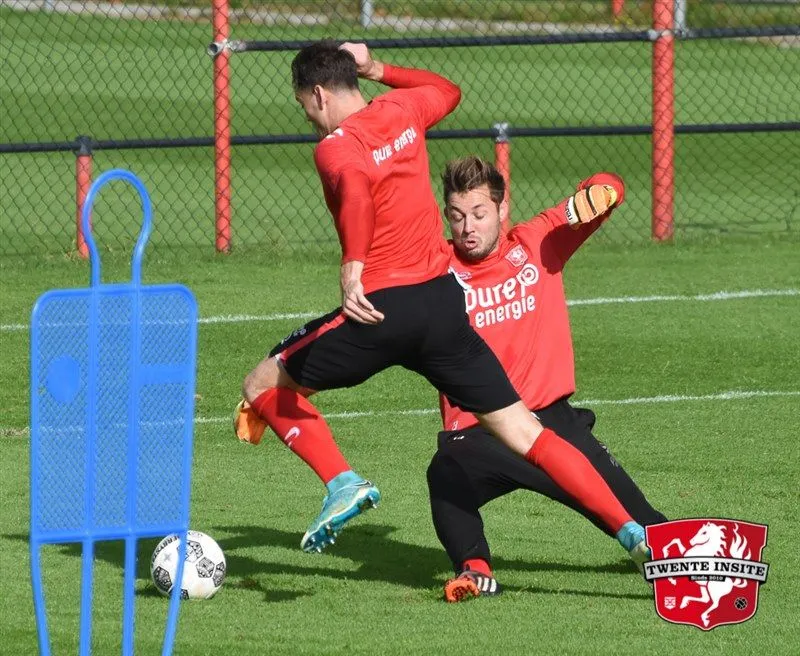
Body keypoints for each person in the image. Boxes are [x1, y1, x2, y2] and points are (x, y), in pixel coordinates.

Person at [233, 41, 650, 563]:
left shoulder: (335, 146)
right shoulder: (401, 109)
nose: (308, 116)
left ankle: (342, 481)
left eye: (303, 104)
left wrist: (352, 266)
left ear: (317, 94)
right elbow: (447, 91)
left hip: (382, 311)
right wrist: (377, 67)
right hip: (442, 304)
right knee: (525, 430)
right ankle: (631, 532)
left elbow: (358, 194)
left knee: (262, 382)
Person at [426, 156, 666, 602]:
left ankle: (686, 556)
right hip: (483, 432)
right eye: (457, 217)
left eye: (479, 214)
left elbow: (608, 182)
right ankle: (474, 569)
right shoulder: (434, 269)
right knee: (445, 473)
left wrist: (601, 192)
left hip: (555, 426)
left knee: (654, 530)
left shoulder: (538, 241)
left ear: (502, 210)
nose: (467, 227)